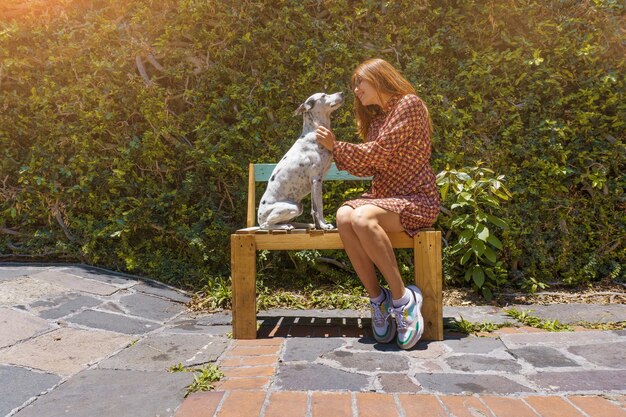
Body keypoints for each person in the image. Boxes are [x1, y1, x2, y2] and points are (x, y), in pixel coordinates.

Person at [315, 58, 439, 350]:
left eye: (360, 82)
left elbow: (378, 153)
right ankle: (378, 300)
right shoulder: (378, 117)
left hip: (415, 197)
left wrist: (336, 146)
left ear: (378, 77)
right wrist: (334, 150)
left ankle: (403, 299)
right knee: (345, 215)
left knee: (361, 218)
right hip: (385, 197)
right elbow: (369, 166)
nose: (356, 89)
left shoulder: (409, 104)